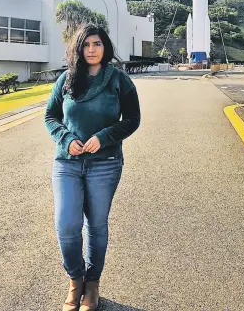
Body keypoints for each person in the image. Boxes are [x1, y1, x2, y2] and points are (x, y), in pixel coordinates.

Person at [44, 24, 141, 311]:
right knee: (67, 225)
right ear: (78, 48)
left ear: (105, 47)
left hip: (105, 164)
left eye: (97, 44)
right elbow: (50, 116)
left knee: (96, 225)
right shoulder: (66, 79)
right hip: (67, 162)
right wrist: (66, 137)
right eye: (86, 44)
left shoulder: (119, 80)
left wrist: (104, 137)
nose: (91, 49)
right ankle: (76, 280)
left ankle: (93, 284)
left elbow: (132, 119)